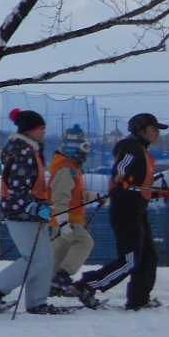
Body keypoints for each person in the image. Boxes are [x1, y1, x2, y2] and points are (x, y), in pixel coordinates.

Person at [75, 113, 169, 311]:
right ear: (142, 130)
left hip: (137, 210)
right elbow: (121, 172)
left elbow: (140, 187)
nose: (158, 132)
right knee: (130, 261)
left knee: (147, 257)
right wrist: (120, 179)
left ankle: (139, 299)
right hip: (126, 211)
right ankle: (87, 285)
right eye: (154, 128)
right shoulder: (131, 147)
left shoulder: (143, 151)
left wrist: (163, 192)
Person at [0, 108, 61, 313]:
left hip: (32, 212)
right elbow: (18, 188)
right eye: (42, 128)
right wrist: (34, 206)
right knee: (35, 259)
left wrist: (42, 205)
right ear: (31, 130)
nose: (44, 132)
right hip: (21, 212)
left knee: (45, 258)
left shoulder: (31, 149)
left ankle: (37, 303)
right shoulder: (22, 151)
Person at [48, 124, 100, 305]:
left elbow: (76, 195)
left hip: (66, 218)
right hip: (67, 219)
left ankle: (51, 283)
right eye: (84, 148)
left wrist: (94, 197)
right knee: (84, 242)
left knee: (59, 253)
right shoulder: (65, 169)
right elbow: (60, 197)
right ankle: (61, 277)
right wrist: (63, 221)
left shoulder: (72, 168)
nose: (86, 154)